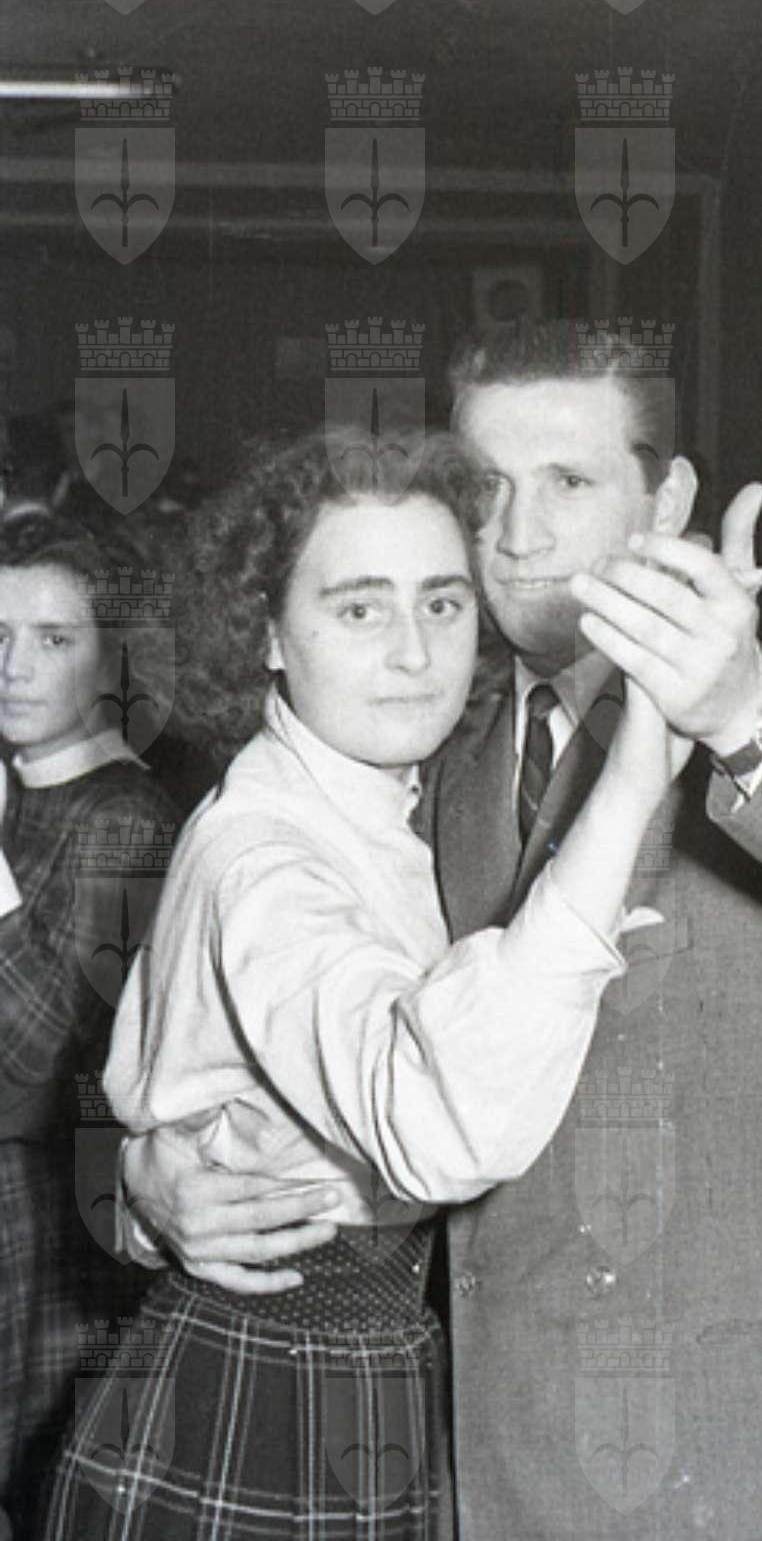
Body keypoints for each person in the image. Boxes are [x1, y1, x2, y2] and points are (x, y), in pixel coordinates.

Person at [121, 320, 762, 1540]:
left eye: (568, 480)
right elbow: (305, 1029)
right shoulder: (426, 736)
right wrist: (154, 1182)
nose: (517, 531)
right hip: (470, 1452)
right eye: (485, 485)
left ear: (665, 501)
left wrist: (742, 713)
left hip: (722, 1462)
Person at [42, 430, 690, 1539]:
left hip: (360, 1359)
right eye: (358, 608)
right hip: (263, 1379)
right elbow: (435, 1121)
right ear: (265, 634)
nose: (413, 652)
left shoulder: (384, 791)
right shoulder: (264, 855)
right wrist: (635, 777)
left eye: (442, 602)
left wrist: (141, 1178)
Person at [0, 507, 180, 1533]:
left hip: (54, 1247)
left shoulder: (126, 817)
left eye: (53, 638)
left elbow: (27, 1066)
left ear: (111, 657)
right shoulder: (17, 789)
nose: (13, 667)